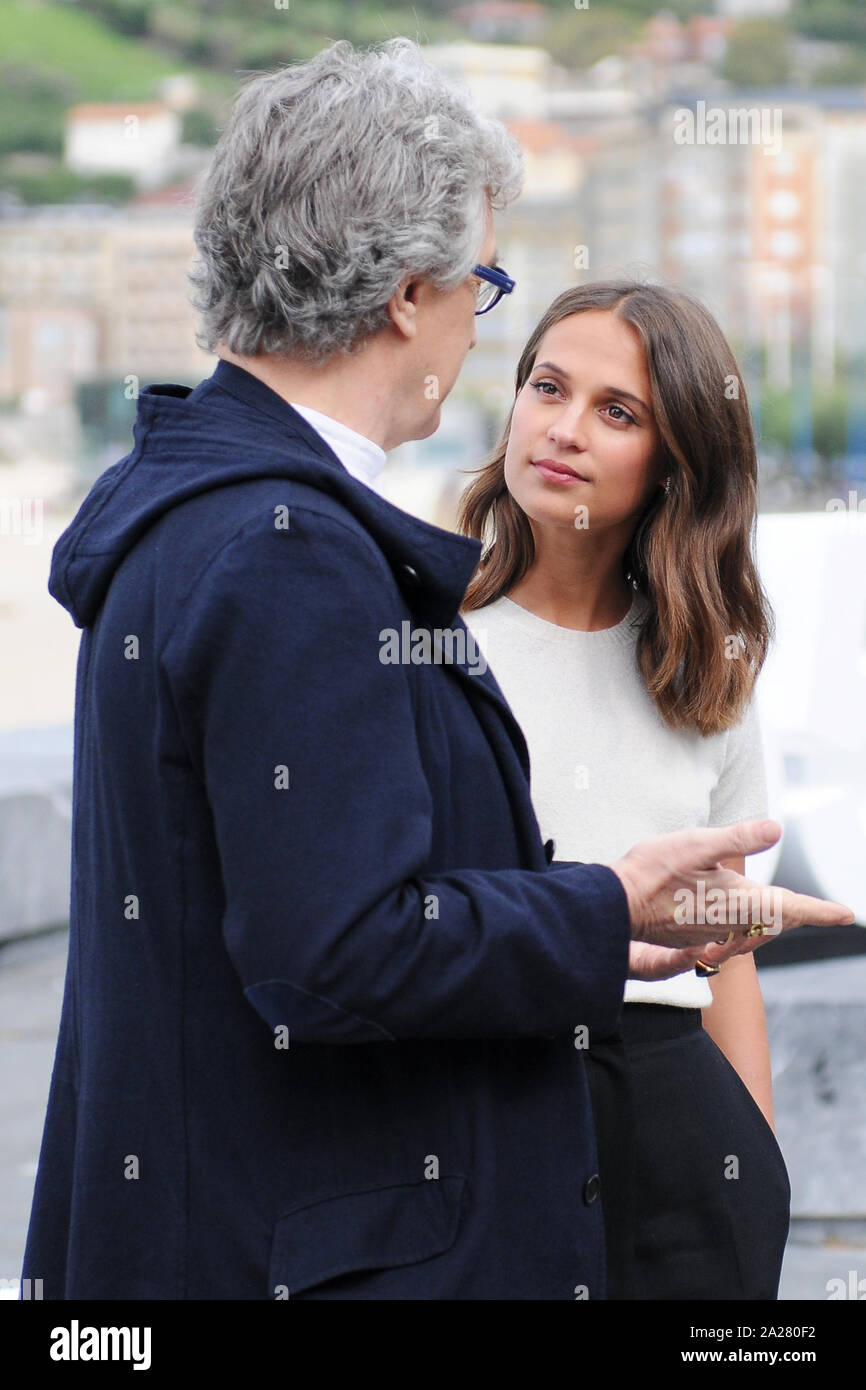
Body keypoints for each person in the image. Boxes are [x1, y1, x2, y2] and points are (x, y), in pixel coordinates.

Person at [22, 42, 850, 1301]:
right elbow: (338, 947)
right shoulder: (290, 551)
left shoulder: (195, 507)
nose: (481, 327)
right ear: (409, 294)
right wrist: (606, 905)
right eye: (484, 285)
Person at [459, 279, 793, 1298]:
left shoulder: (705, 674)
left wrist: (755, 1176)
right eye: (546, 387)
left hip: (680, 1136)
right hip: (482, 1110)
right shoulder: (425, 642)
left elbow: (721, 957)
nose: (561, 429)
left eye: (617, 412)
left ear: (673, 461)